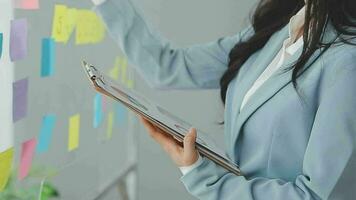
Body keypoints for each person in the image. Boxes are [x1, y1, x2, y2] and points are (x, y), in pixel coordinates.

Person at [91, 0, 356, 199]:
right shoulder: (278, 28)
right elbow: (166, 67)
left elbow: (314, 195)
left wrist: (201, 175)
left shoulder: (347, 61)